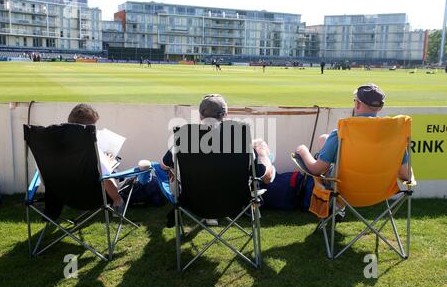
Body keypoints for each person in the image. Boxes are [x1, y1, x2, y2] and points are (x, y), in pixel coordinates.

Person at [295, 84, 411, 216]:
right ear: (380, 107)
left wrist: (303, 151)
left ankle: (338, 205)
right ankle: (339, 207)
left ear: (358, 104)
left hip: (344, 191)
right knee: (324, 139)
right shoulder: (394, 135)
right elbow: (405, 175)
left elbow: (318, 169)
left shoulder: (341, 132)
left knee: (325, 156)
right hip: (381, 191)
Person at [161, 94, 275, 227]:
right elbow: (260, 172)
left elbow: (164, 164)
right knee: (265, 159)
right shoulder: (239, 135)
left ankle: (208, 215)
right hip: (235, 203)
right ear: (225, 114)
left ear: (200, 115)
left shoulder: (184, 136)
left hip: (194, 202)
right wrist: (262, 154)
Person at [67, 104, 126, 213]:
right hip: (91, 198)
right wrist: (117, 199)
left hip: (64, 196)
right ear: (88, 128)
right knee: (110, 170)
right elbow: (106, 178)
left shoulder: (57, 145)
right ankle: (117, 205)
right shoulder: (93, 151)